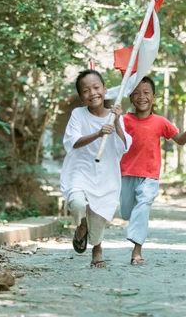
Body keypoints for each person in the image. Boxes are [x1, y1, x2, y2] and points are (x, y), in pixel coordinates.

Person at [120, 76, 186, 266]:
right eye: (136, 93)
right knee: (127, 212)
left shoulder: (160, 122)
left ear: (154, 97)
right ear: (130, 97)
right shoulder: (123, 121)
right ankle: (134, 231)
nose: (142, 97)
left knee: (143, 204)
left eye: (146, 92)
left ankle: (137, 251)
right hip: (126, 174)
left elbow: (180, 140)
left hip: (150, 176)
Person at [60, 69, 132, 268]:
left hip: (105, 173)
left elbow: (124, 146)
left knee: (99, 214)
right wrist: (98, 133)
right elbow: (72, 142)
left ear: (105, 89)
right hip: (80, 171)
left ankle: (97, 248)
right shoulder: (78, 114)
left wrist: (116, 122)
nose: (92, 93)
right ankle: (81, 224)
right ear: (81, 97)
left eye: (96, 87)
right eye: (86, 90)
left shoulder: (115, 116)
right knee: (77, 204)